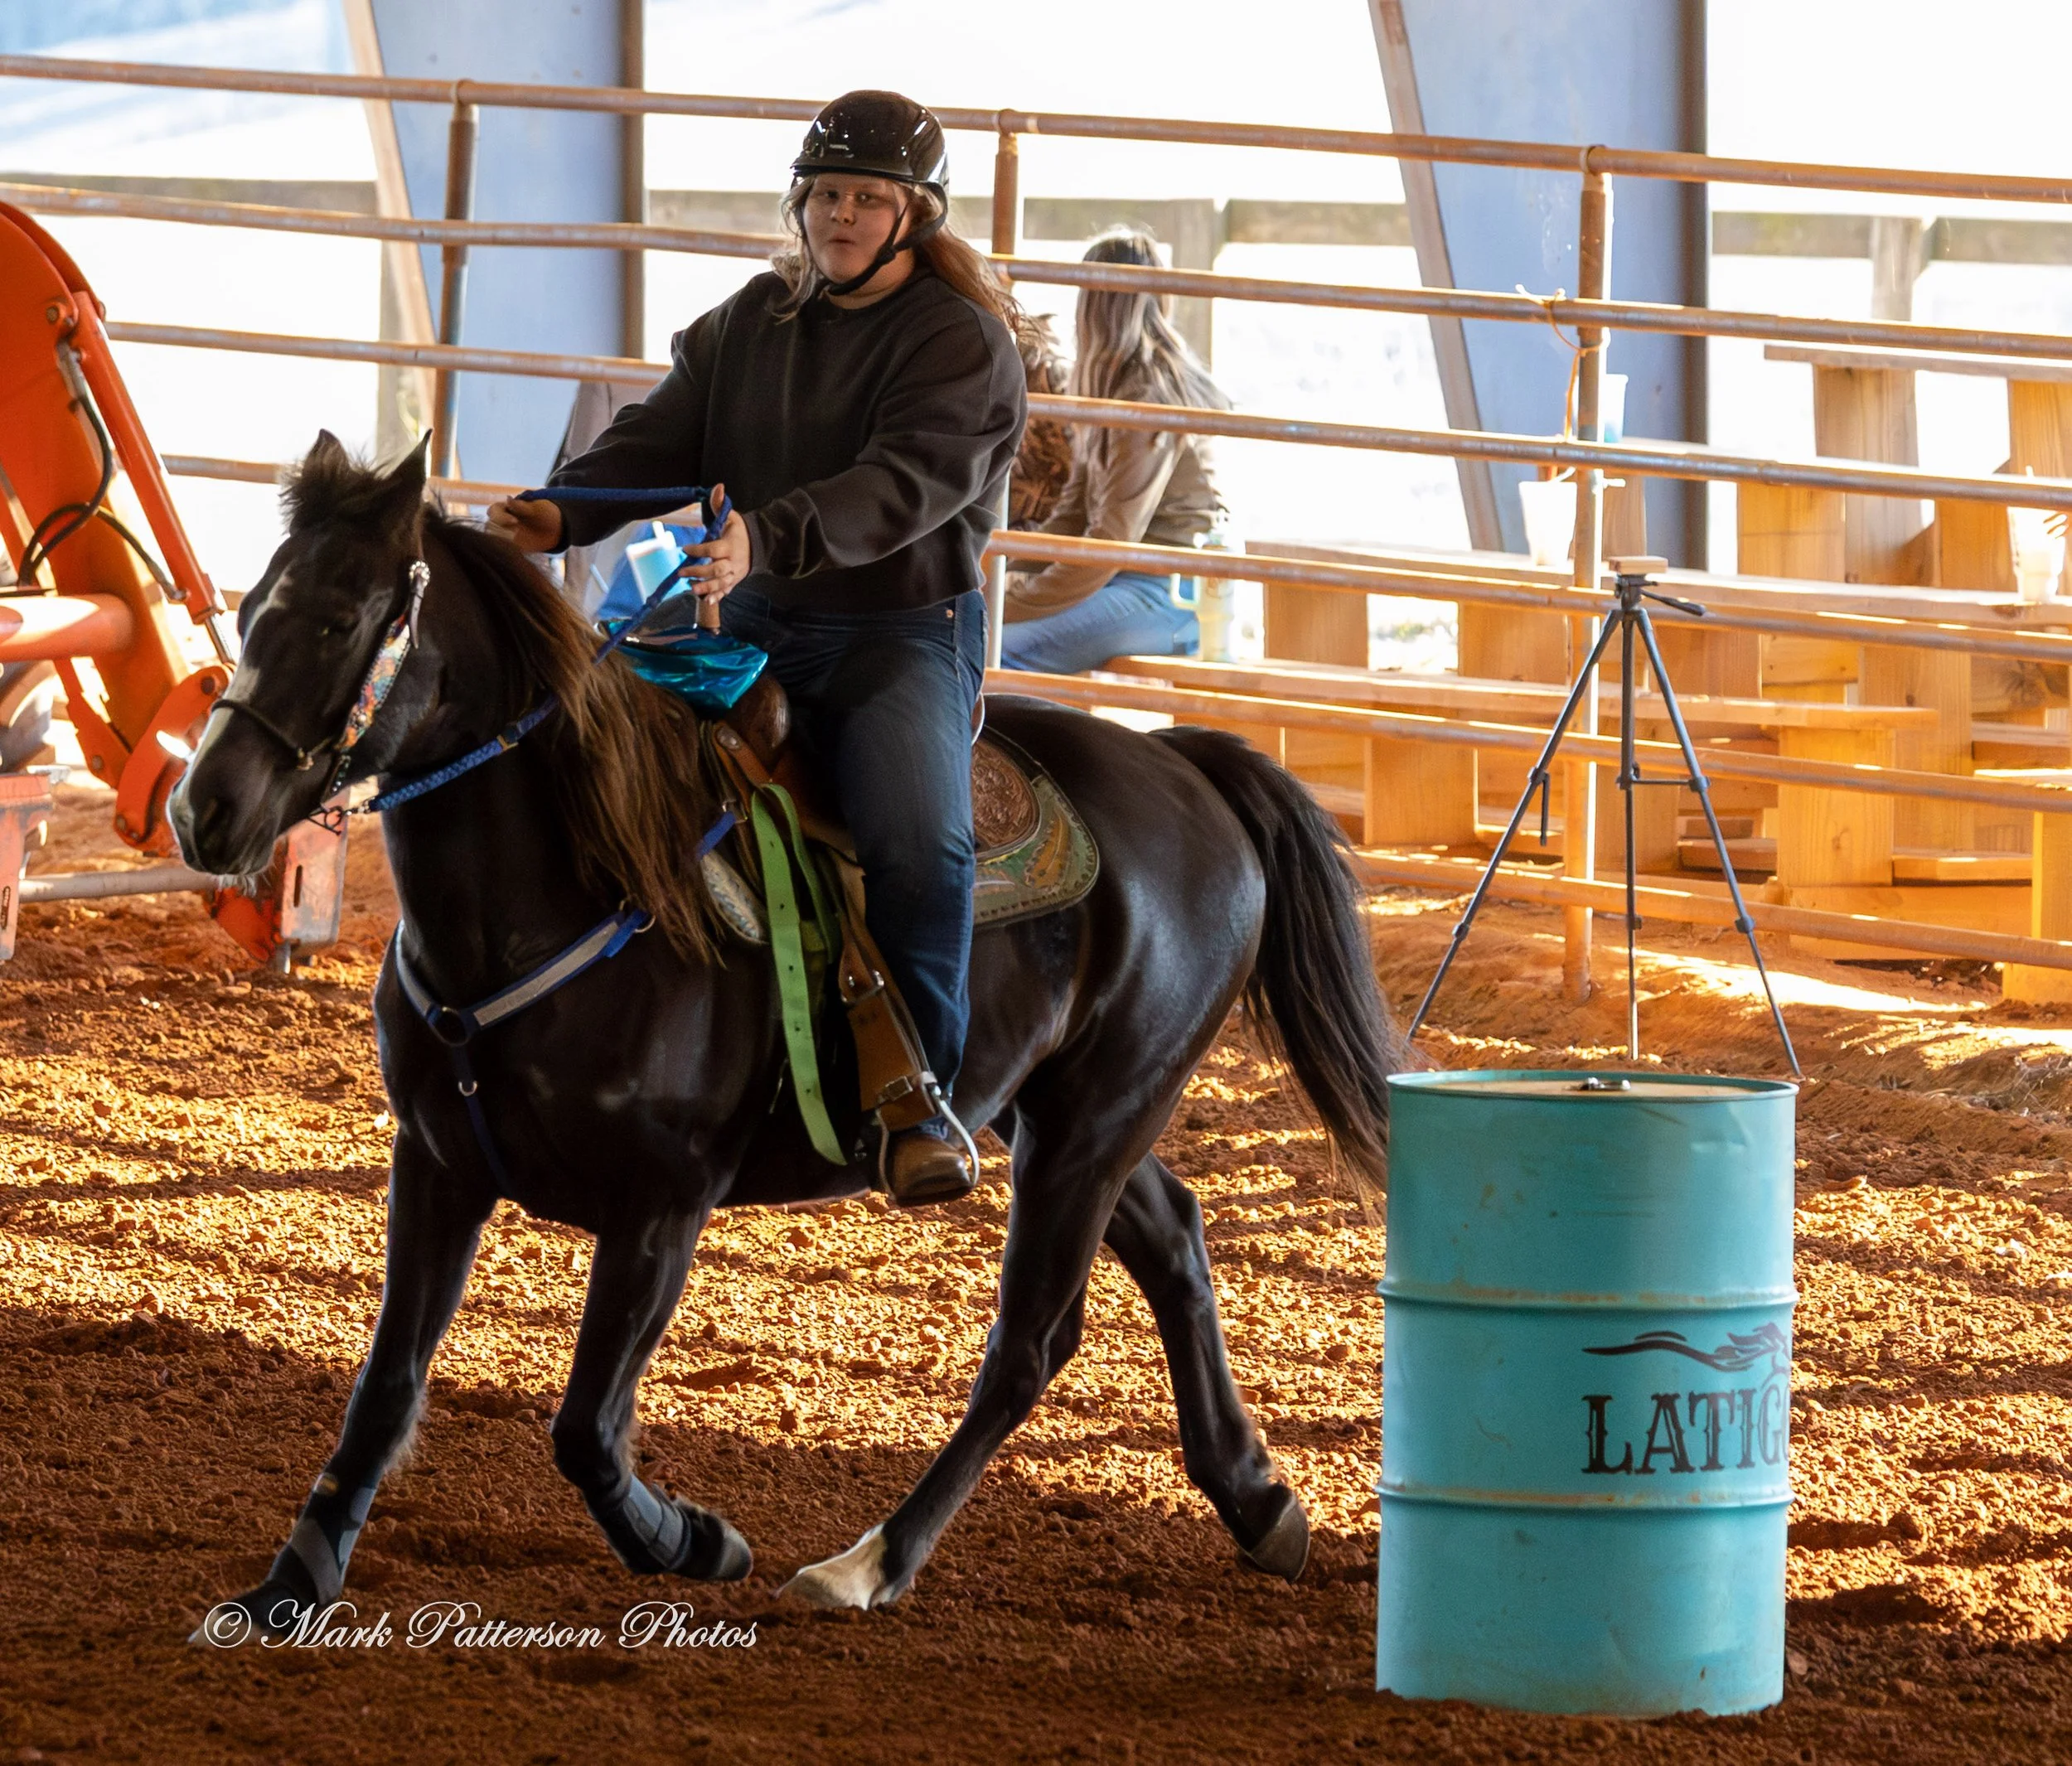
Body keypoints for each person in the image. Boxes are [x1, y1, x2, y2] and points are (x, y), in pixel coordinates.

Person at [490, 90, 1027, 1207]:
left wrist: (764, 538)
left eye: (867, 197)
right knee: (591, 750)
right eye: (825, 193)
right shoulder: (754, 319)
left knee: (917, 840)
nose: (840, 215)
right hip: (757, 616)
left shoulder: (961, 343)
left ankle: (919, 1092)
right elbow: (661, 435)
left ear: (916, 214)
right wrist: (562, 510)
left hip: (898, 632)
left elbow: (901, 486)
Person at [998, 226, 1229, 675]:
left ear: (1093, 304)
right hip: (1125, 581)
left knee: (993, 653)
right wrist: (990, 574)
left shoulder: (1149, 394)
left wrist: (1007, 606)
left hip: (1172, 595)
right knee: (977, 639)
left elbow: (1112, 540)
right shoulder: (1109, 384)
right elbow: (1074, 514)